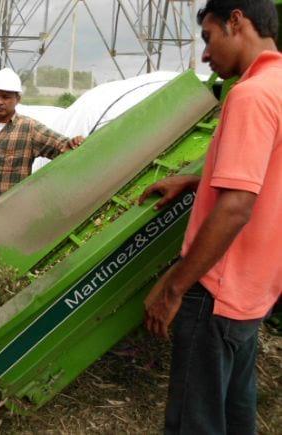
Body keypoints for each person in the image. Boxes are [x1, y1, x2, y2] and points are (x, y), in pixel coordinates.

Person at [138, 1, 281, 433]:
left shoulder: (250, 95)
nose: (204, 56)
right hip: (254, 290)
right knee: (236, 414)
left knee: (194, 423)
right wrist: (199, 180)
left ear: (237, 21)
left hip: (217, 289)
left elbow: (237, 206)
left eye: (208, 37)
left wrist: (174, 286)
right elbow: (267, 173)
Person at [0, 68, 84, 212]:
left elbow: (62, 146)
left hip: (10, 214)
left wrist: (73, 142)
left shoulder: (29, 128)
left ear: (17, 99)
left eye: (6, 97)